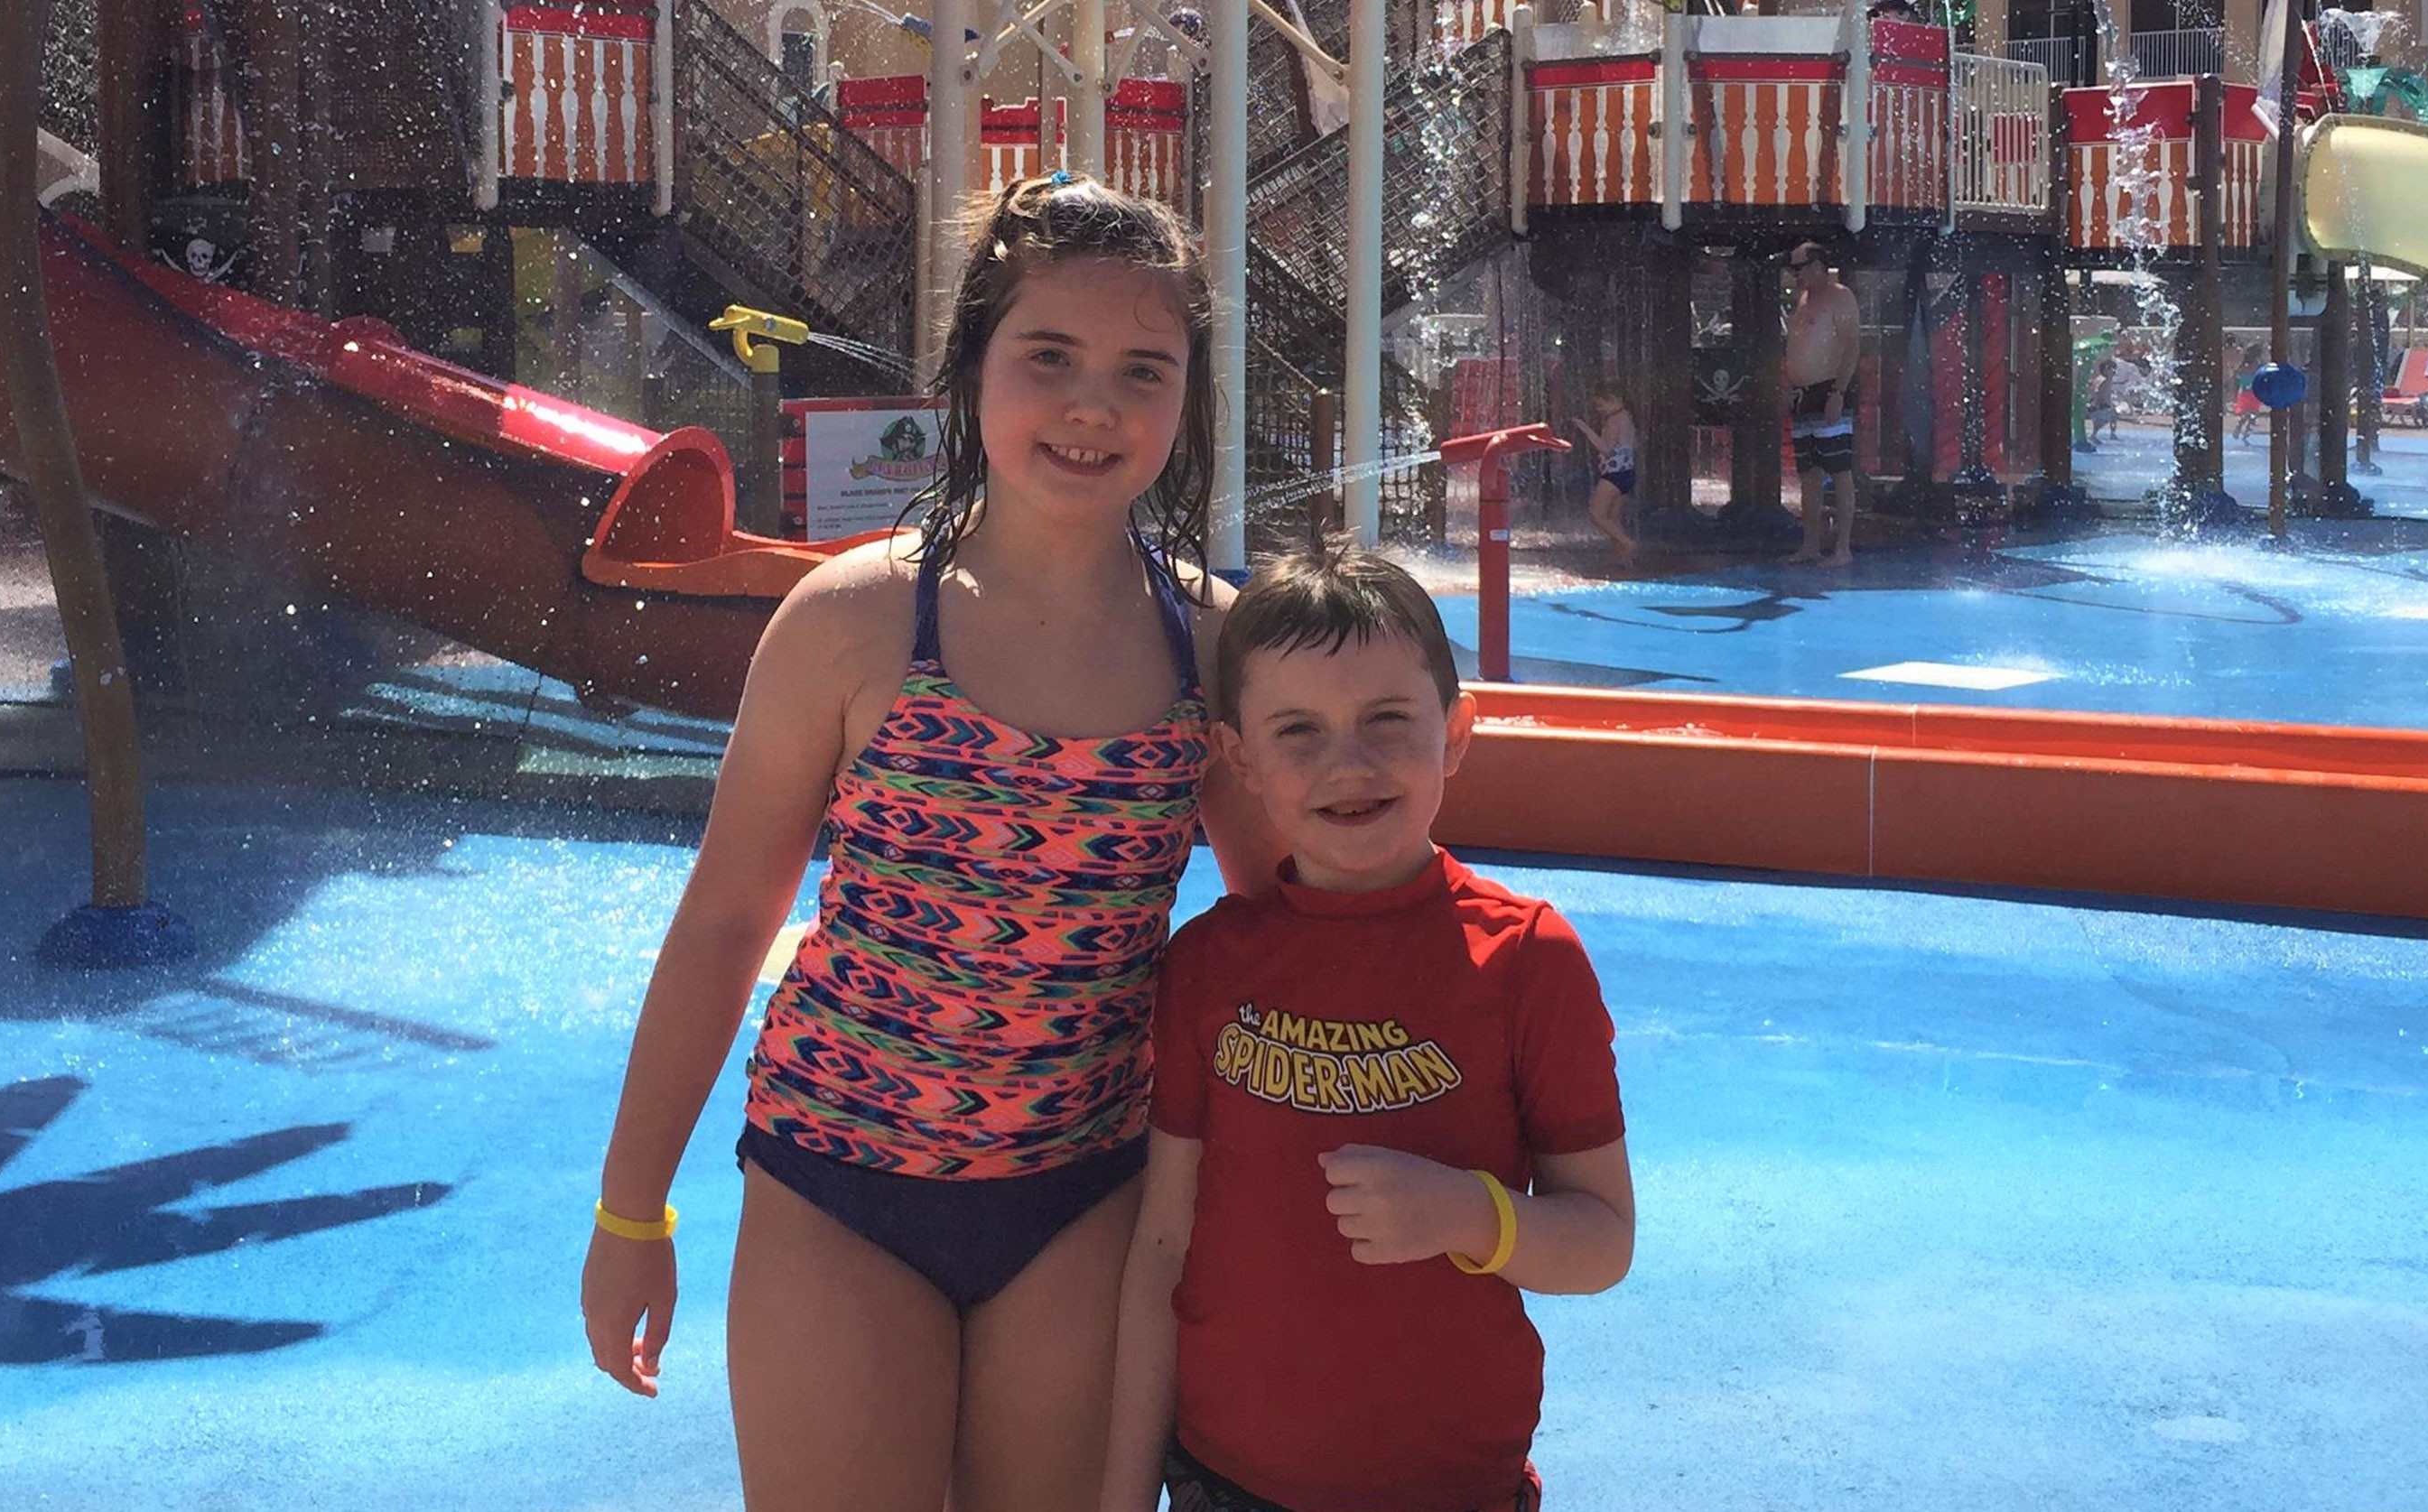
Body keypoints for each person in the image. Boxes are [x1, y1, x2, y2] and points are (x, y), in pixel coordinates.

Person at [580, 175, 1258, 1512]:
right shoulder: (858, 622)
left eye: (1143, 369)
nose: (1092, 404)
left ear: (1188, 400)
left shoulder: (1215, 649)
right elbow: (724, 922)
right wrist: (629, 1210)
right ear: (969, 370)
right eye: (1047, 356)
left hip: (1082, 1195)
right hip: (839, 1184)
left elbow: (1294, 936)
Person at [1102, 540, 1635, 1512]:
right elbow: (1161, 1247)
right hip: (1227, 1485)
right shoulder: (1206, 965)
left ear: (1457, 733)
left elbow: (1602, 1240)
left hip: (1454, 1489)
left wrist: (1475, 1217)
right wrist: (1121, 1492)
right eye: (1297, 731)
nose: (1347, 764)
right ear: (1239, 761)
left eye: (1387, 720)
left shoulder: (1526, 958)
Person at [1782, 243, 1860, 569]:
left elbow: (1852, 345)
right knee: (1809, 474)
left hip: (1830, 390)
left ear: (1817, 266)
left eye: (1798, 268)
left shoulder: (1840, 297)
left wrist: (1838, 392)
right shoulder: (1803, 300)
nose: (1794, 274)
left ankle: (1842, 548)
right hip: (1804, 394)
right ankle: (1810, 545)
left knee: (1839, 471)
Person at [1567, 385, 1637, 560]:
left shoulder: (1614, 420)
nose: (1599, 410)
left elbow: (1606, 450)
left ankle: (1627, 543)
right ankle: (1624, 559)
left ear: (1616, 400)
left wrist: (1586, 429)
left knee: (1597, 515)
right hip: (1627, 474)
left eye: (1601, 405)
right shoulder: (1627, 417)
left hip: (1613, 475)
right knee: (1613, 519)